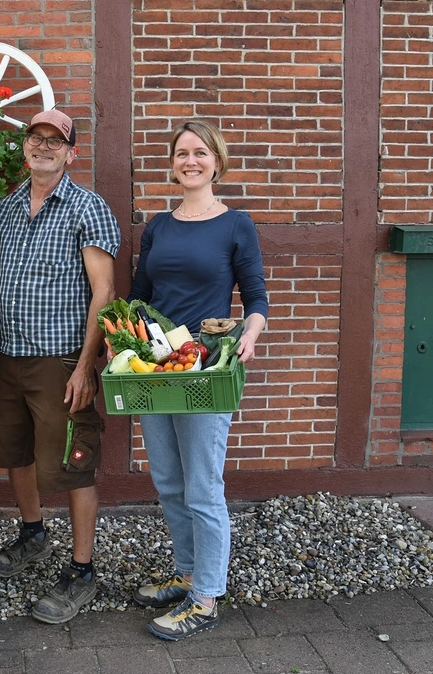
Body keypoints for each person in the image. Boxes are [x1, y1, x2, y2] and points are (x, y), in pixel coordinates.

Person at [126, 120, 269, 641]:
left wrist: (250, 335)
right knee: (168, 480)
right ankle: (187, 573)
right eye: (182, 153)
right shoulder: (158, 227)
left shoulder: (236, 225)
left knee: (203, 487)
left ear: (217, 161)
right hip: (157, 368)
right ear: (173, 162)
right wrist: (125, 344)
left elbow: (256, 297)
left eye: (200, 153)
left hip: (206, 368)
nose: (191, 160)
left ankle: (206, 597)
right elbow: (139, 297)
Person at [0, 109, 120, 624]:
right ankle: (32, 533)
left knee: (74, 461)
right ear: (26, 147)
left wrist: (86, 366)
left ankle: (82, 570)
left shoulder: (88, 208)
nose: (43, 146)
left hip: (61, 359)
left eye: (54, 140)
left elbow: (104, 294)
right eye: (35, 138)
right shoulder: (9, 206)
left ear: (71, 152)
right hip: (8, 356)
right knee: (15, 453)